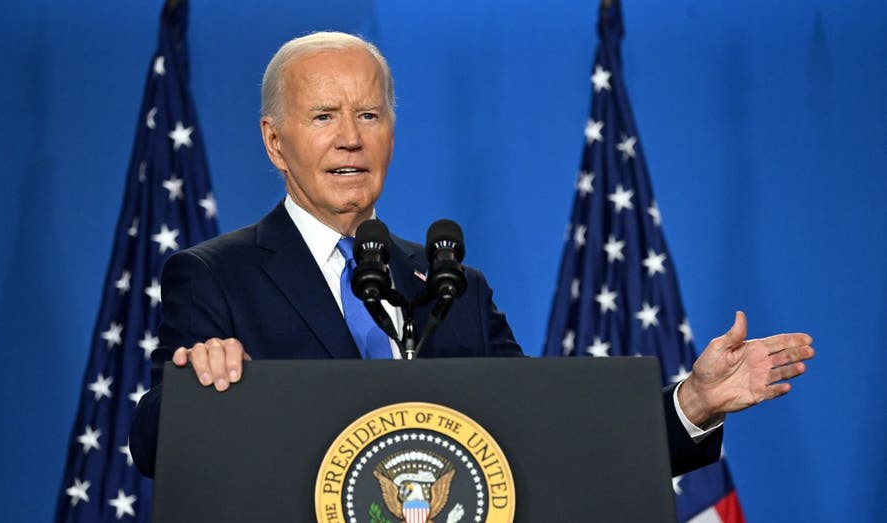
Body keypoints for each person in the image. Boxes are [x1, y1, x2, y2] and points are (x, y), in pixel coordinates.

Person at [129, 32, 815, 479]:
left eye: (368, 116)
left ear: (392, 133)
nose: (349, 139)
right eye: (322, 117)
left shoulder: (452, 286)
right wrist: (196, 392)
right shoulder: (215, 275)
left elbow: (548, 440)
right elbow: (154, 444)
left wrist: (691, 403)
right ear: (275, 143)